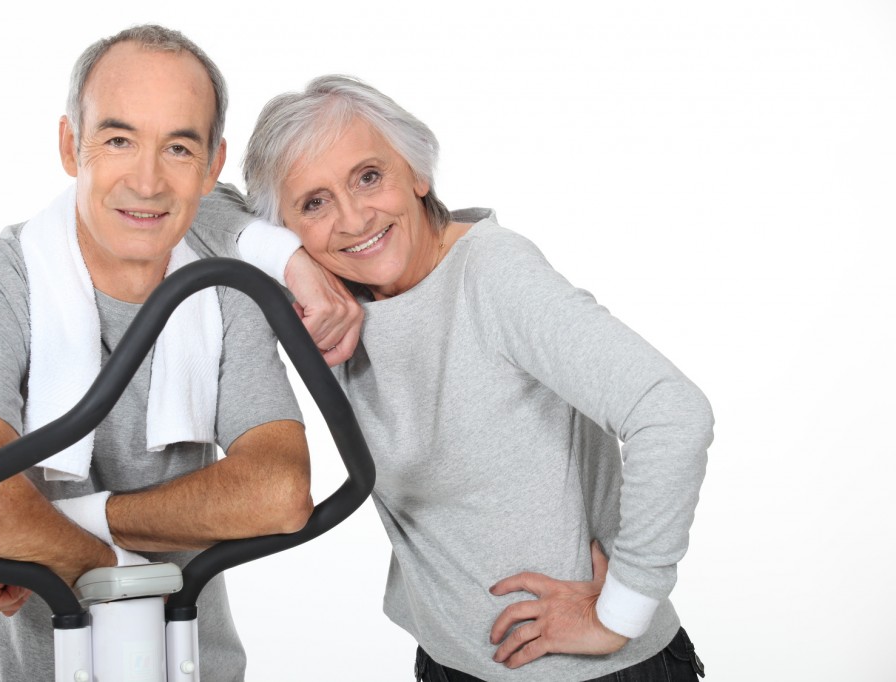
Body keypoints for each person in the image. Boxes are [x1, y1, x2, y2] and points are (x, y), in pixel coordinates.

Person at [237, 75, 714, 681]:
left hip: (587, 672)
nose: (354, 217)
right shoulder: (330, 299)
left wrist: (619, 613)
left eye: (368, 176)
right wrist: (292, 266)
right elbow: (189, 200)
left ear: (417, 173)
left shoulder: (491, 273)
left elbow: (671, 413)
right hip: (451, 664)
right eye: (314, 203)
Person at [0, 27, 359, 681]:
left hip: (191, 660)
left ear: (211, 166)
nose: (149, 180)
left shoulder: (225, 289)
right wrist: (115, 576)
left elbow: (277, 492)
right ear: (72, 146)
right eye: (119, 139)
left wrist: (56, 525)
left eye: (178, 147)